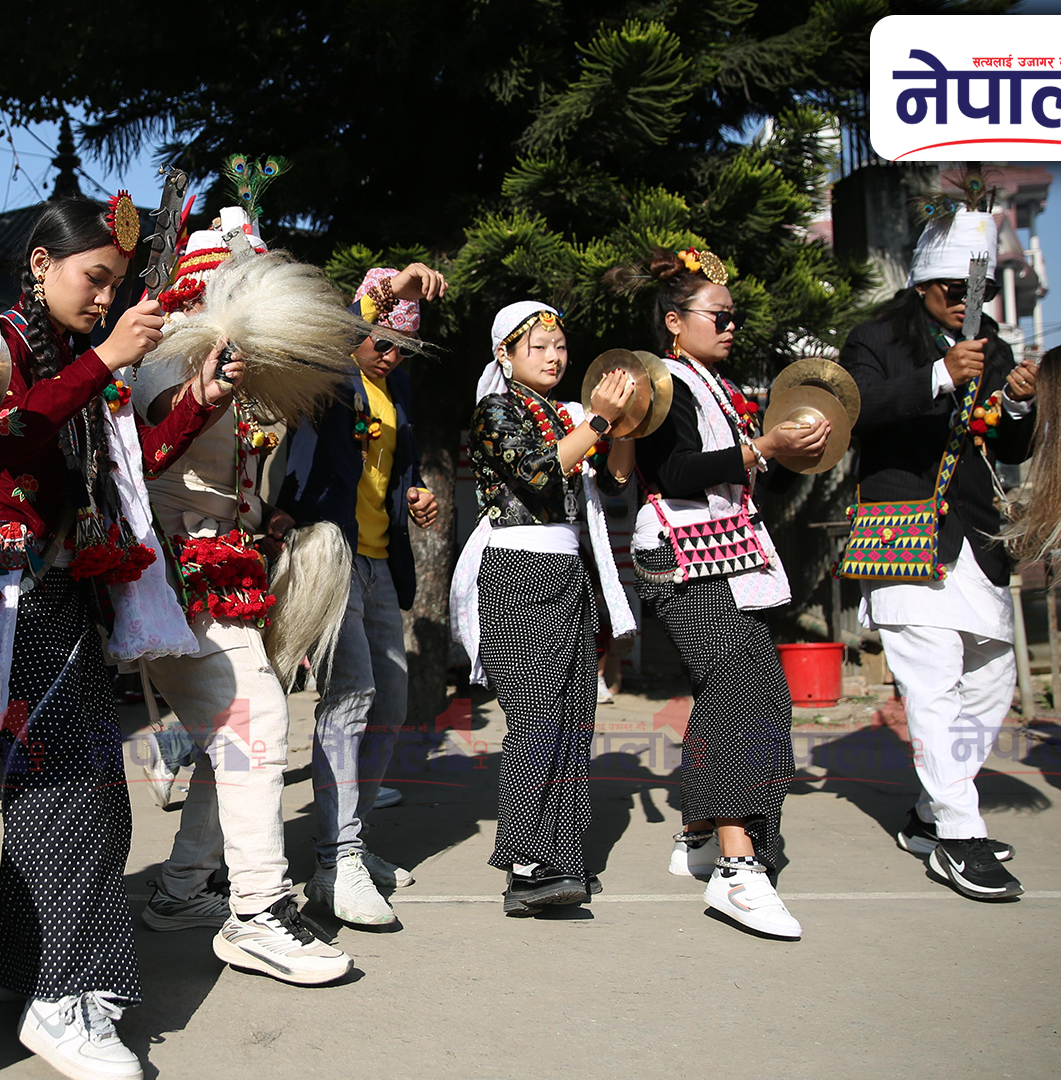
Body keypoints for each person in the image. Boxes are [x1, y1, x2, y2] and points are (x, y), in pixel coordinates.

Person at [0, 194, 228, 1080]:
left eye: (114, 284)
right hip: (13, 592)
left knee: (53, 783)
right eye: (94, 279)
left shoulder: (83, 357)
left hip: (60, 592)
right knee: (80, 792)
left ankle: (21, 963)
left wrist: (198, 398)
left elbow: (133, 459)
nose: (103, 298)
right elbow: (4, 432)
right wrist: (110, 358)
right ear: (40, 264)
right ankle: (62, 997)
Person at [132, 210, 366, 985]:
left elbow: (226, 479)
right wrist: (201, 390)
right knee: (255, 716)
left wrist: (269, 523)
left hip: (223, 566)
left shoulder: (238, 371)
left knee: (226, 735)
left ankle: (178, 890)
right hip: (176, 575)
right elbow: (151, 447)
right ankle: (259, 912)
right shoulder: (171, 359)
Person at [613, 246, 825, 940]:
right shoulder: (658, 381)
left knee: (755, 689)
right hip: (679, 552)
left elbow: (754, 476)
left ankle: (703, 832)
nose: (731, 325)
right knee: (741, 681)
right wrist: (761, 447)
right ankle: (736, 865)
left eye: (734, 317)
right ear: (675, 322)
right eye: (719, 315)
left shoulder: (724, 392)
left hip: (727, 552)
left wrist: (794, 451)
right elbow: (671, 469)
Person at [840, 205, 1042, 901]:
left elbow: (1010, 448)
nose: (966, 302)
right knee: (930, 682)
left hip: (975, 535)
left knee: (992, 679)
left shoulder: (997, 346)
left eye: (975, 289)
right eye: (953, 289)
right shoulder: (872, 340)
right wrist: (937, 376)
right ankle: (960, 833)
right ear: (923, 286)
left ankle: (930, 814)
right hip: (897, 523)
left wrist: (1015, 404)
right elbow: (855, 409)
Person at [451, 301, 638, 912]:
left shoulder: (569, 414)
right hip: (520, 570)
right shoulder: (495, 411)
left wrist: (624, 429)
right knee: (535, 716)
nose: (556, 357)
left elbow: (610, 486)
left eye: (560, 346)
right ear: (505, 355)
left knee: (573, 717)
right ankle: (526, 868)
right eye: (540, 347)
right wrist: (601, 423)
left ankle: (562, 856)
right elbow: (536, 473)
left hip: (567, 566)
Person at [276, 262, 445, 928]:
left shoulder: (392, 382)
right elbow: (331, 335)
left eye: (404, 342)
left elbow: (394, 468)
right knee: (350, 696)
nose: (392, 351)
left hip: (380, 559)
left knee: (392, 700)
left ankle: (355, 840)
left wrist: (416, 495)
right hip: (332, 554)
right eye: (382, 337)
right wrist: (382, 292)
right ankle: (334, 859)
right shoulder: (329, 372)